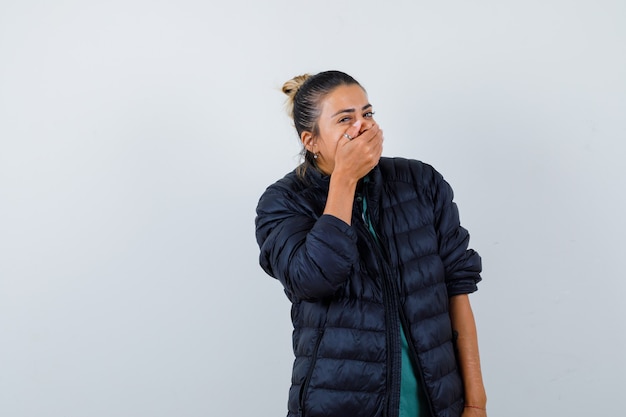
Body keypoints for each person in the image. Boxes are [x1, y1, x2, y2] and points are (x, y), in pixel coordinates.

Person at [255, 70, 487, 417]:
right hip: (337, 403)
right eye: (345, 119)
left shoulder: (421, 183)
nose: (363, 126)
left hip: (438, 404)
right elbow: (315, 278)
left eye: (368, 113)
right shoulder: (283, 202)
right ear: (311, 140)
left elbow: (458, 288)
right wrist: (344, 180)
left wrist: (474, 402)